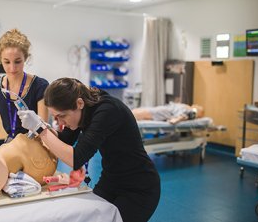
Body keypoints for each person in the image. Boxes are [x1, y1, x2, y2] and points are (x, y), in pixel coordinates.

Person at [17, 78, 161, 222]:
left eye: (62, 116)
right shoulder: (82, 108)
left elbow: (76, 158)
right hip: (111, 179)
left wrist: (41, 130)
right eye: (55, 118)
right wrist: (40, 125)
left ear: (79, 103)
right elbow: (64, 140)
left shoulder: (107, 111)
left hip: (139, 187)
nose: (60, 123)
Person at [132, 102, 205, 124]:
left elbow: (182, 115)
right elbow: (183, 115)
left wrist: (175, 120)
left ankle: (125, 117)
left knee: (138, 113)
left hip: (164, 111)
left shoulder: (189, 111)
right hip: (165, 110)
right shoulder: (188, 108)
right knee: (139, 112)